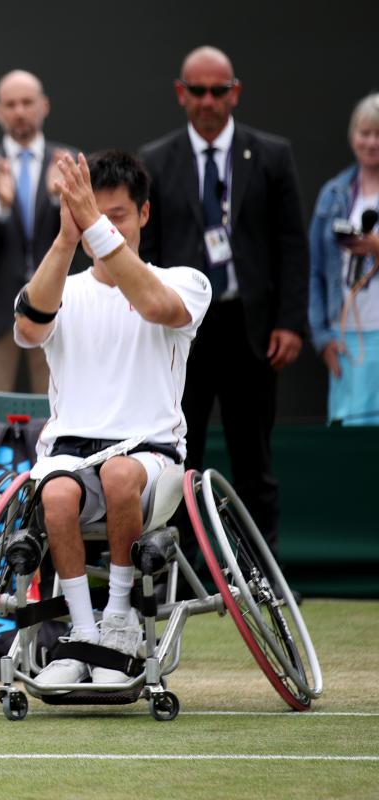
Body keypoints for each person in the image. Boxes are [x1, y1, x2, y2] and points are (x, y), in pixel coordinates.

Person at [16, 150, 210, 687]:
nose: (103, 226)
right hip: (70, 452)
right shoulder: (66, 286)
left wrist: (93, 228)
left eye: (116, 215)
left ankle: (120, 618)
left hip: (151, 453)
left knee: (119, 474)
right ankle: (82, 634)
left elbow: (153, 306)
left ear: (144, 214)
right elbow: (30, 328)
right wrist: (65, 238)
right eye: (91, 214)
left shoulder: (184, 282)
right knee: (55, 495)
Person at [139, 46, 308, 553]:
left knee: (253, 455)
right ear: (180, 93)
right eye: (198, 91)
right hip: (182, 327)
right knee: (177, 456)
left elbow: (291, 243)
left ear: (235, 91)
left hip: (250, 324)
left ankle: (262, 574)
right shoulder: (156, 159)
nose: (208, 101)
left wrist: (291, 322)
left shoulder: (270, 154)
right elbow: (145, 251)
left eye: (218, 90)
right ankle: (182, 571)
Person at [0, 70, 73, 413]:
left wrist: (58, 201)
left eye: (27, 102)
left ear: (44, 106)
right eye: (11, 104)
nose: (20, 111)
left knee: (60, 409)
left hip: (57, 308)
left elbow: (88, 238)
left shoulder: (67, 161)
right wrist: (0, 208)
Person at [308, 93, 379, 426]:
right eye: (365, 133)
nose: (372, 142)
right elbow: (316, 271)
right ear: (353, 135)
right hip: (345, 333)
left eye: (378, 134)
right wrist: (321, 337)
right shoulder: (334, 193)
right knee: (347, 428)